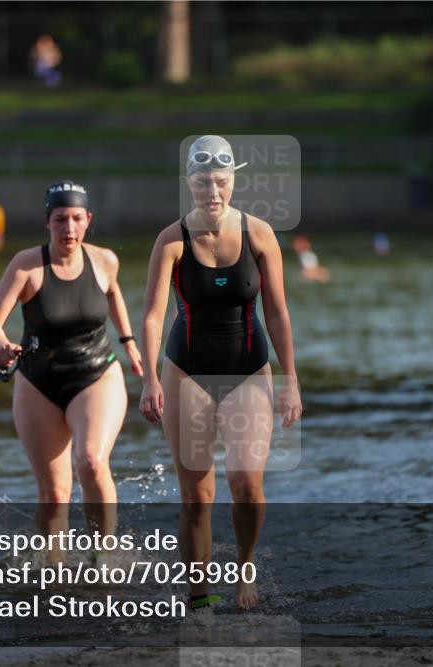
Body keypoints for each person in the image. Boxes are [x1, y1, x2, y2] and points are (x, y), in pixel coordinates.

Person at [139, 135, 303, 611]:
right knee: (197, 494)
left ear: (234, 181)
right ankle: (199, 595)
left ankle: (245, 573)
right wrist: (149, 378)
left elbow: (277, 312)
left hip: (249, 368)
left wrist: (290, 377)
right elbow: (152, 315)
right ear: (189, 183)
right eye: (203, 181)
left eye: (221, 181)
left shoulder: (259, 234)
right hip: (186, 370)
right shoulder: (172, 240)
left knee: (247, 483)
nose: (213, 191)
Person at [0, 180, 142, 547]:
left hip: (96, 374)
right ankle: (51, 576)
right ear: (47, 222)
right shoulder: (26, 265)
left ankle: (101, 560)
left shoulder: (104, 261)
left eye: (75, 219)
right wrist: (1, 345)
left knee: (90, 461)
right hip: (39, 383)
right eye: (59, 220)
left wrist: (128, 342)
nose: (68, 229)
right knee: (54, 494)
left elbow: (113, 292)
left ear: (88, 220)